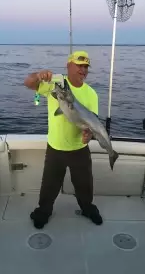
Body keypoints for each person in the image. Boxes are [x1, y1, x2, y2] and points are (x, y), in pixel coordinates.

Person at [24, 50, 103, 229]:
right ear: (68, 65)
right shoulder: (56, 83)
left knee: (85, 185)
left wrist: (88, 135)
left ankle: (87, 208)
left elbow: (92, 124)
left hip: (79, 150)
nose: (83, 70)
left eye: (86, 67)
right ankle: (43, 211)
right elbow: (28, 83)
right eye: (79, 65)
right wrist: (38, 75)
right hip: (56, 148)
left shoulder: (92, 94)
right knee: (49, 186)